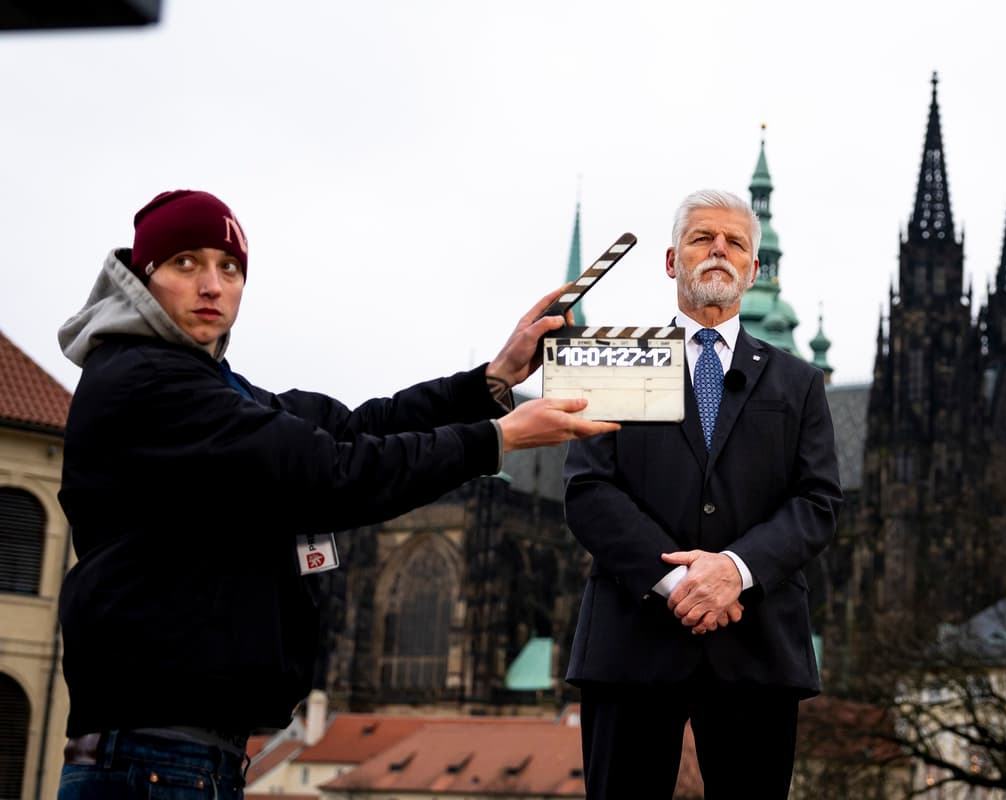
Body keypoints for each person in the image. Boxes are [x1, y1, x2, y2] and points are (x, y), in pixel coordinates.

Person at [54, 189, 617, 800]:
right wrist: (495, 439)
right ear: (143, 278)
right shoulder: (152, 384)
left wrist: (492, 381)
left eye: (230, 267)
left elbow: (350, 428)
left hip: (186, 753)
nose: (212, 285)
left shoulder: (205, 384)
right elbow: (334, 471)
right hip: (154, 756)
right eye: (186, 263)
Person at [562, 189, 843, 799]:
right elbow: (587, 490)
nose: (719, 250)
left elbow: (818, 501)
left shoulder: (799, 382)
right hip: (633, 640)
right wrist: (682, 585)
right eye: (702, 239)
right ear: (671, 261)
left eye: (736, 243)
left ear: (753, 269)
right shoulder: (618, 361)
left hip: (756, 644)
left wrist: (735, 571)